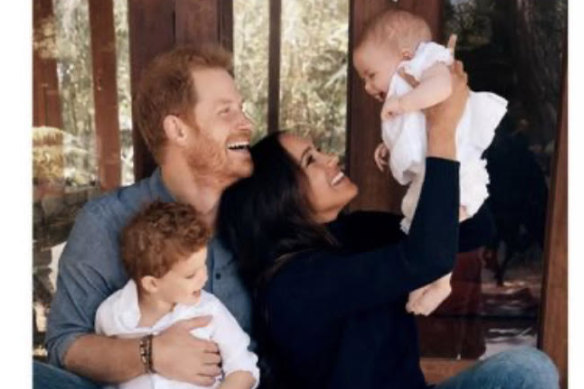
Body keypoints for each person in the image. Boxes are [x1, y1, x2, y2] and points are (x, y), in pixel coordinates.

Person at [216, 62, 558, 387]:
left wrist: (432, 145)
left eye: (319, 149)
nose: (330, 158)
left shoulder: (358, 231)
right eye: (311, 160)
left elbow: (471, 230)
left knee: (526, 370)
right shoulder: (294, 283)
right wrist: (440, 131)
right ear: (279, 198)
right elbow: (428, 260)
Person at [40, 45, 255, 388]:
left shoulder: (254, 219)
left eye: (242, 109)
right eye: (226, 111)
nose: (246, 122)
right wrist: (151, 353)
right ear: (178, 130)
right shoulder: (105, 221)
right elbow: (64, 345)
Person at [352, 9, 508, 315]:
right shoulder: (404, 87)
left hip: (457, 167)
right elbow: (413, 131)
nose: (369, 87)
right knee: (419, 223)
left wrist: (402, 102)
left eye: (371, 75)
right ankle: (429, 278)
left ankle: (440, 282)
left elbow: (441, 89)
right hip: (433, 170)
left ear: (405, 55)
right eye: (363, 80)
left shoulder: (429, 63)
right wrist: (388, 146)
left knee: (438, 225)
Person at [95, 201, 259, 389]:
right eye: (190, 275)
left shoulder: (209, 311)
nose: (204, 277)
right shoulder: (111, 315)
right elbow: (103, 375)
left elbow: (243, 368)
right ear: (152, 283)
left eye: (204, 265)